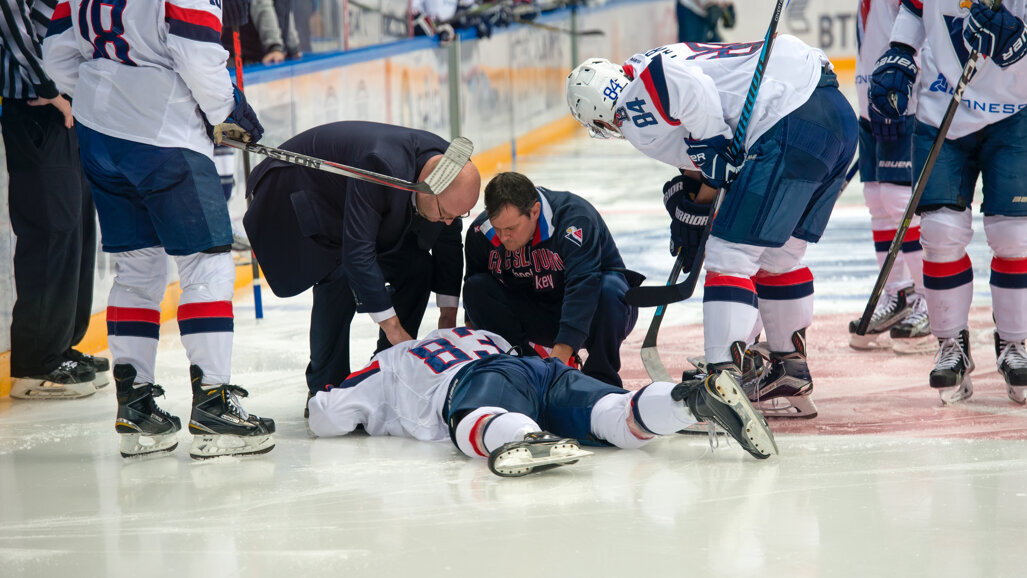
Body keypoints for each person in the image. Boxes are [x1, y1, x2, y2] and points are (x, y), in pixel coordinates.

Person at [566, 36, 857, 420]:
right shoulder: (653, 62)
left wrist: (712, 146)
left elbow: (678, 85)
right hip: (833, 115)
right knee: (779, 256)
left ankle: (722, 382)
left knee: (729, 254)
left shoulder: (633, 100)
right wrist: (696, 206)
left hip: (787, 120)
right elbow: (704, 158)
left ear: (601, 114)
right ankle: (788, 370)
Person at [43, 0, 275, 458]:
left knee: (136, 267)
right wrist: (226, 110)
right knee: (206, 263)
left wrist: (104, 93)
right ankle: (213, 403)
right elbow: (195, 51)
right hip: (165, 133)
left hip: (97, 131)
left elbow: (56, 53)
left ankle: (136, 407)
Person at [308, 327, 777, 477]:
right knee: (614, 418)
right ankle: (690, 401)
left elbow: (326, 415)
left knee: (472, 419)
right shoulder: (471, 331)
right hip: (540, 368)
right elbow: (516, 356)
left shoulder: (389, 361)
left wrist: (343, 405)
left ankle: (525, 437)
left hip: (479, 379)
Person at [242, 121, 481, 414]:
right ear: (427, 190)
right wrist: (394, 328)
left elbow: (448, 240)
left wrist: (448, 315)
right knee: (339, 274)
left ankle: (385, 370)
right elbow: (357, 254)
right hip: (296, 191)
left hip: (352, 202)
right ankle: (325, 389)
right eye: (445, 214)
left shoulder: (444, 168)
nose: (449, 221)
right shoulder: (381, 166)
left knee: (416, 267)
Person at [868, 0, 1027, 404]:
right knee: (940, 233)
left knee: (1014, 236)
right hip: (942, 110)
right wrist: (900, 51)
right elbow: (914, 8)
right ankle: (950, 343)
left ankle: (1014, 342)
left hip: (1016, 112)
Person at [1, 0, 106, 399]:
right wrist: (52, 88)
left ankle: (61, 346)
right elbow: (13, 28)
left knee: (76, 225)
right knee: (51, 230)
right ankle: (36, 363)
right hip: (36, 106)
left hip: (68, 107)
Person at [463, 172, 640, 387]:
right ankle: (524, 371)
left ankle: (600, 380)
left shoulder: (574, 219)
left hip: (594, 311)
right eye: (497, 228)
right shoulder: (480, 232)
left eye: (511, 228)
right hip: (538, 311)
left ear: (535, 211)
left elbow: (583, 285)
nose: (504, 237)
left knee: (610, 288)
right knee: (476, 288)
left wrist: (559, 356)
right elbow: (475, 300)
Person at [847, 0, 931, 354]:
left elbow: (922, 29)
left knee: (900, 202)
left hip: (902, 98)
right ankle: (898, 294)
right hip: (870, 99)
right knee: (878, 202)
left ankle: (929, 300)